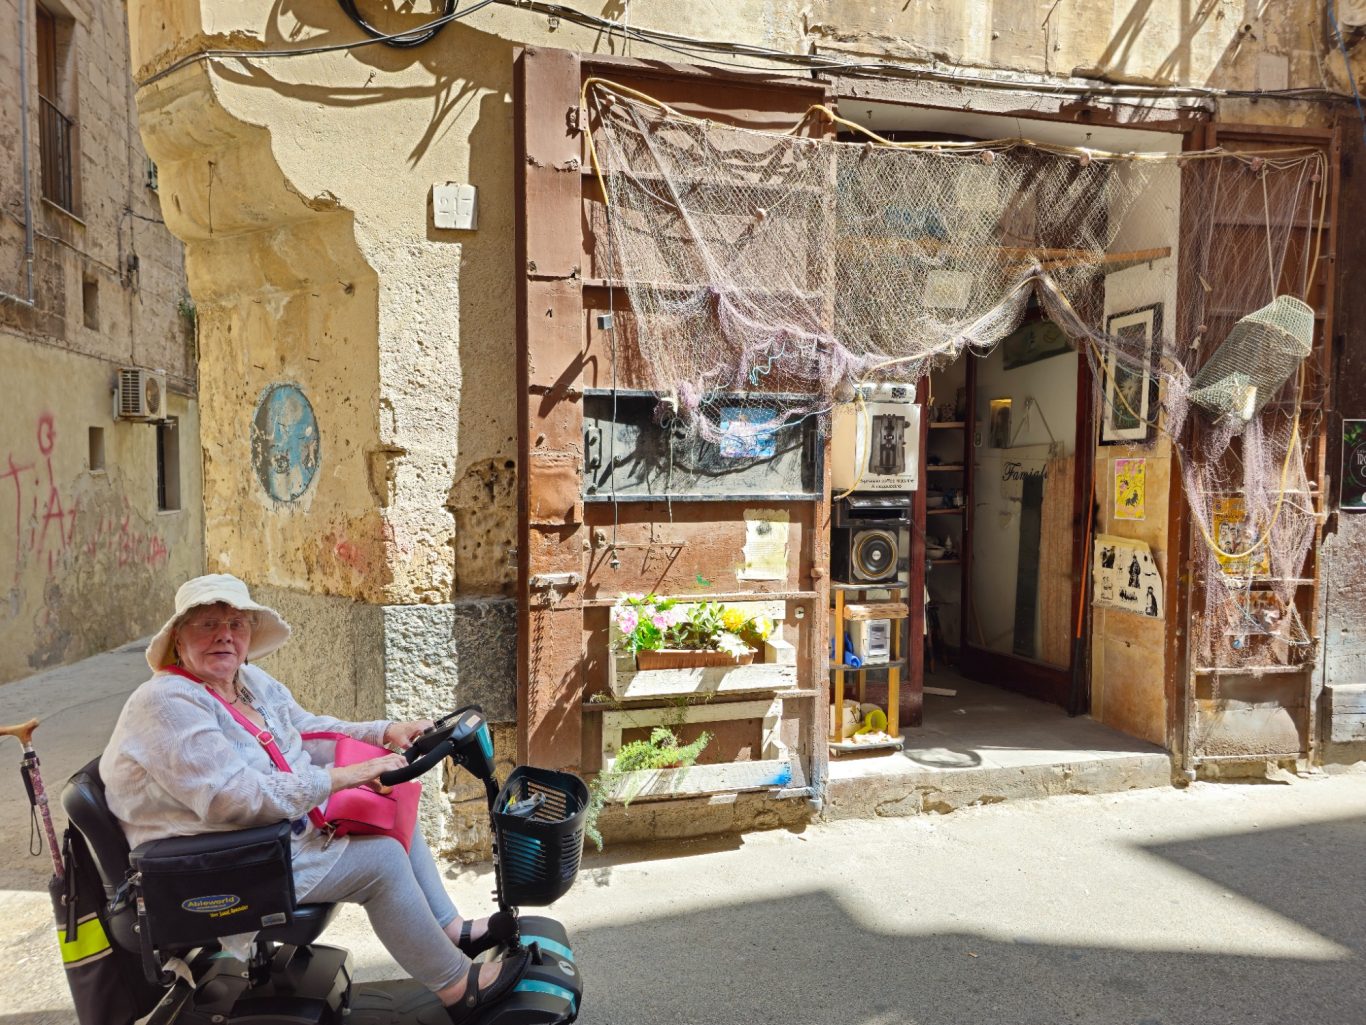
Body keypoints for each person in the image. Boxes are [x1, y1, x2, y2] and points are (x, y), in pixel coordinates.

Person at [100, 574, 526, 1024]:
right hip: (213, 864)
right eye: (207, 624)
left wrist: (384, 732)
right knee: (380, 863)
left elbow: (306, 730)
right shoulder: (166, 702)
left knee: (390, 804)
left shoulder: (248, 682)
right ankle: (459, 987)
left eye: (236, 624)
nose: (225, 634)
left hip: (263, 837)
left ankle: (449, 930)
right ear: (178, 640)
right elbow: (233, 799)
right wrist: (352, 774)